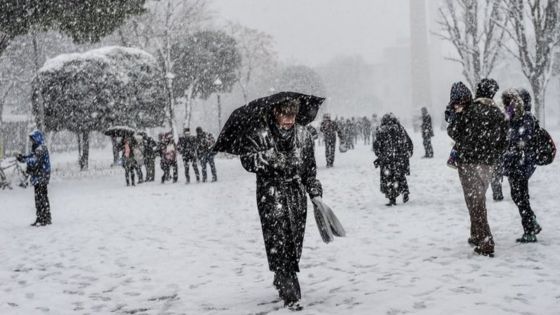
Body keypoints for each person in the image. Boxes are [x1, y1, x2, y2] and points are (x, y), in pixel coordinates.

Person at [240, 99, 322, 310]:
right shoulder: (261, 134)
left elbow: (310, 170)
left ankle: (281, 274)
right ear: (275, 113)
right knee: (279, 240)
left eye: (292, 115)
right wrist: (269, 157)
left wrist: (315, 192)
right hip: (271, 195)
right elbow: (247, 161)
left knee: (294, 242)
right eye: (284, 115)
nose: (288, 120)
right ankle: (290, 291)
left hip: (296, 196)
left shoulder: (304, 135)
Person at [447, 79, 508, 257]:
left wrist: (456, 116)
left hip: (469, 162)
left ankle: (485, 241)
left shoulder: (470, 110)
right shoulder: (498, 113)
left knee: (475, 202)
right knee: (477, 199)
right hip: (488, 164)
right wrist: (492, 153)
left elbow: (454, 131)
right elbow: (504, 141)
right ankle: (476, 234)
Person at [502, 88, 541, 243]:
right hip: (514, 164)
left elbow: (522, 139)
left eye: (510, 103)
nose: (508, 106)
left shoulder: (526, 118)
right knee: (517, 196)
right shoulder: (511, 116)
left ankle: (530, 230)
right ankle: (532, 221)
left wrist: (512, 145)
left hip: (521, 164)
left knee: (521, 197)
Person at [373, 113, 413, 206]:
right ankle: (404, 190)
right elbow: (408, 141)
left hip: (387, 159)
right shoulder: (400, 129)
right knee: (400, 175)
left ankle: (392, 198)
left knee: (388, 179)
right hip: (399, 157)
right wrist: (408, 152)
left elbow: (377, 146)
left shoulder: (381, 130)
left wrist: (379, 155)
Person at [17, 130, 52, 226]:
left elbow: (35, 160)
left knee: (41, 197)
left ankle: (44, 218)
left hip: (42, 176)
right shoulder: (38, 147)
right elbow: (32, 157)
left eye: (32, 139)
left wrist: (25, 160)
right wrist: (23, 158)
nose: (32, 141)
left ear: (37, 138)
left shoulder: (41, 148)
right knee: (40, 197)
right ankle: (43, 217)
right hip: (40, 176)